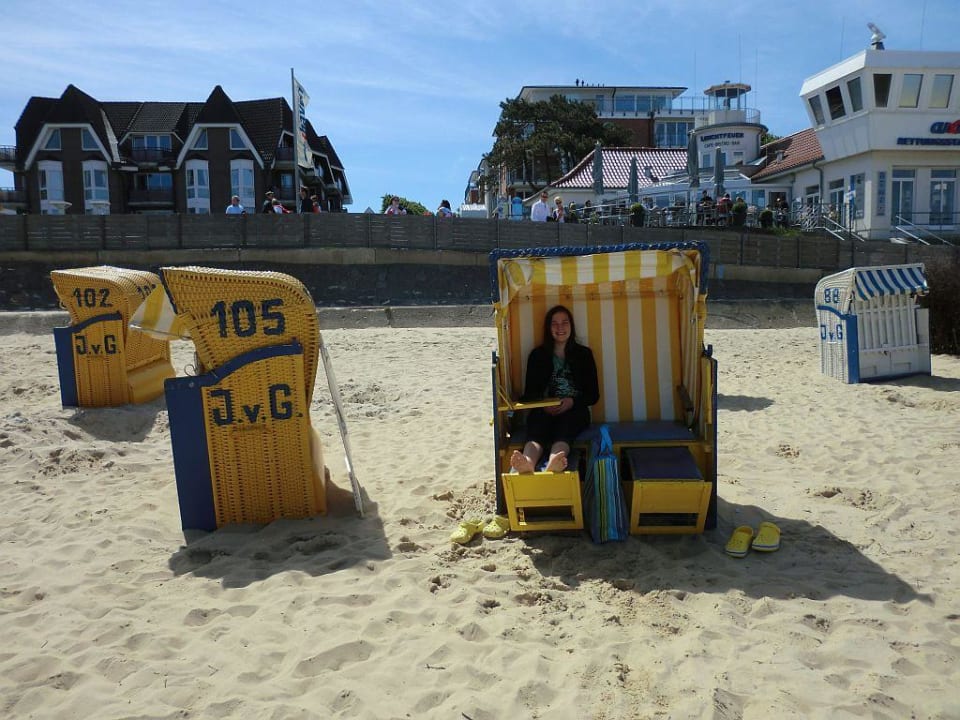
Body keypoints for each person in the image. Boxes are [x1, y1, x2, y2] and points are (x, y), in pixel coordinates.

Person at [510, 305, 599, 474]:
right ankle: (527, 462)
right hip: (543, 410)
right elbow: (529, 394)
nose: (560, 328)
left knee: (566, 426)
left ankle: (555, 461)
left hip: (574, 410)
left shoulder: (584, 354)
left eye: (565, 322)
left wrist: (572, 402)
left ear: (571, 326)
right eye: (554, 324)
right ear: (548, 328)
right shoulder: (537, 355)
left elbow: (593, 395)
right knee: (537, 425)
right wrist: (543, 404)